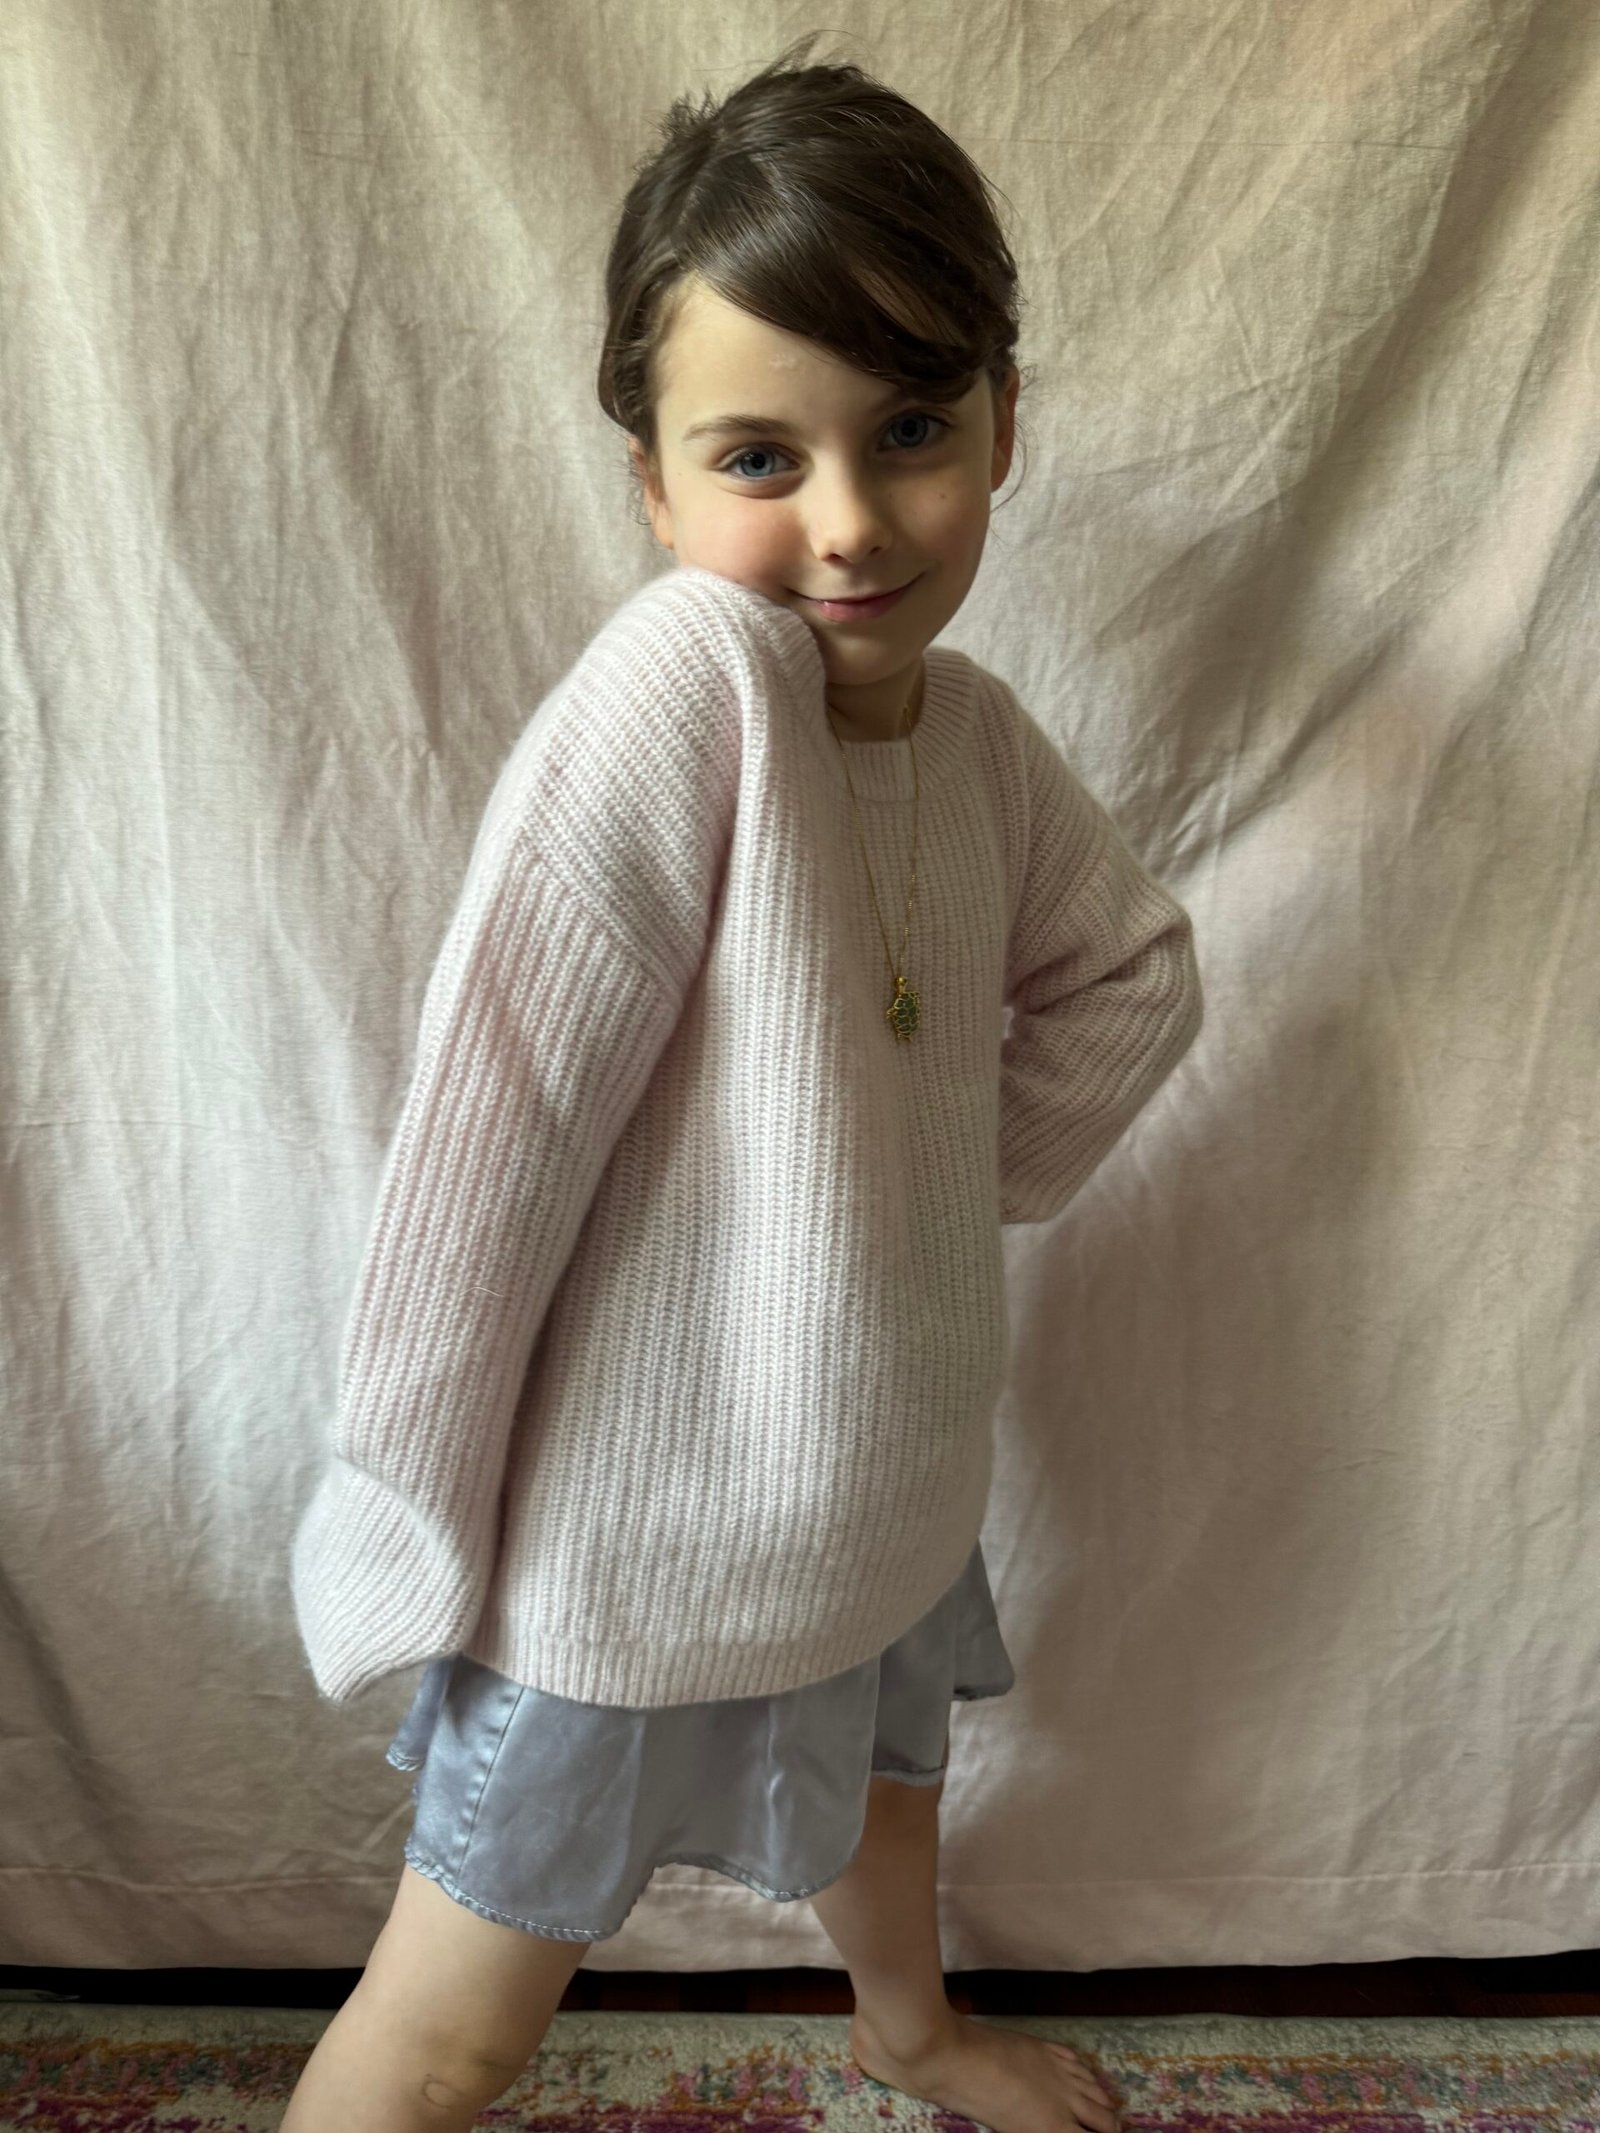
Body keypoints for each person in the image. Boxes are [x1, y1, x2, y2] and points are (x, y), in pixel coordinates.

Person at [281, 34, 1201, 2133]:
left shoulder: (970, 734)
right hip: (636, 1534)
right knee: (450, 2017)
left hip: (877, 1476)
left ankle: (905, 2028)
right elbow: (482, 1141)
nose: (854, 522)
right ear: (649, 479)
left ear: (1001, 419)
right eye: (757, 457)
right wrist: (402, 1497)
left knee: (889, 1788)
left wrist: (935, 1184)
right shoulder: (675, 691)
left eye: (910, 431)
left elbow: (1129, 974)